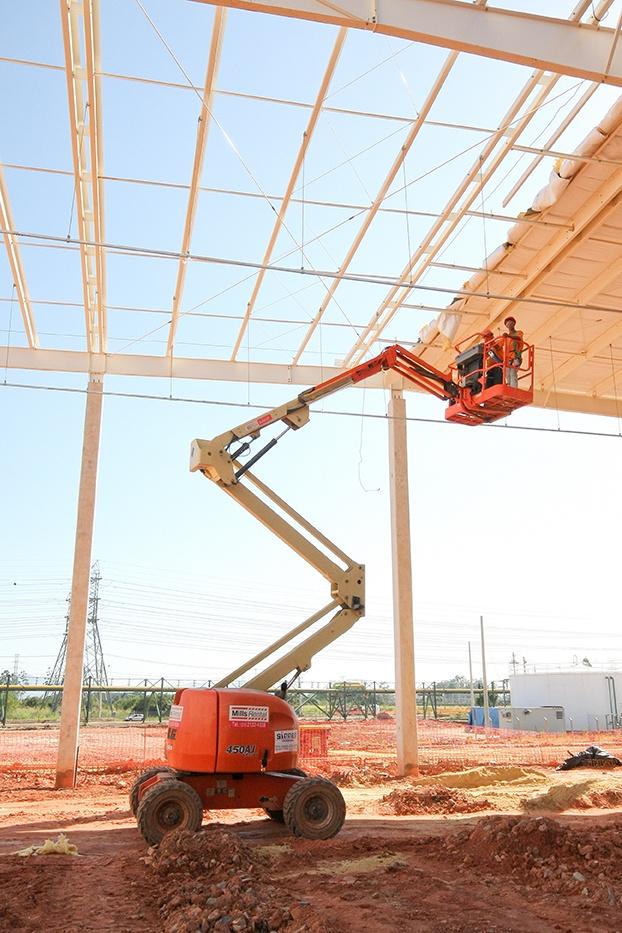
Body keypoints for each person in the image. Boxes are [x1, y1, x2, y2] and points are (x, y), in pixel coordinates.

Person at [503, 316, 524, 388]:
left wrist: (509, 336)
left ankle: (514, 389)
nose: (509, 325)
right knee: (507, 374)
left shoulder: (518, 333)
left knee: (513, 373)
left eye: (510, 323)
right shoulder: (506, 338)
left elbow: (519, 338)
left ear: (514, 324)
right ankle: (509, 388)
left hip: (515, 357)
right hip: (508, 358)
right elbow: (499, 344)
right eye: (507, 324)